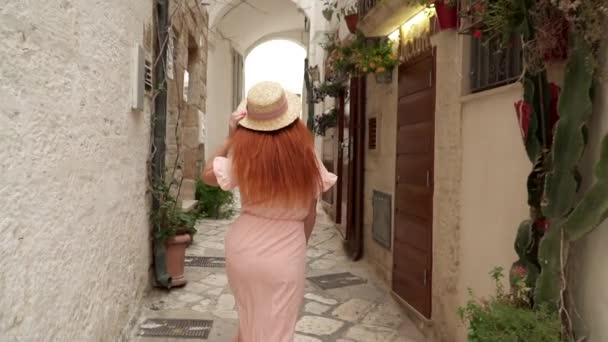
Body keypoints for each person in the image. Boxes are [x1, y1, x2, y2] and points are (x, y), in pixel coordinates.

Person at [202, 81, 337, 342]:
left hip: (243, 249)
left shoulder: (245, 155)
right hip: (286, 252)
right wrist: (299, 246)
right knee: (276, 331)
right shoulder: (306, 156)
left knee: (250, 322)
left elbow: (208, 175)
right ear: (291, 120)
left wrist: (231, 138)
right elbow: (310, 212)